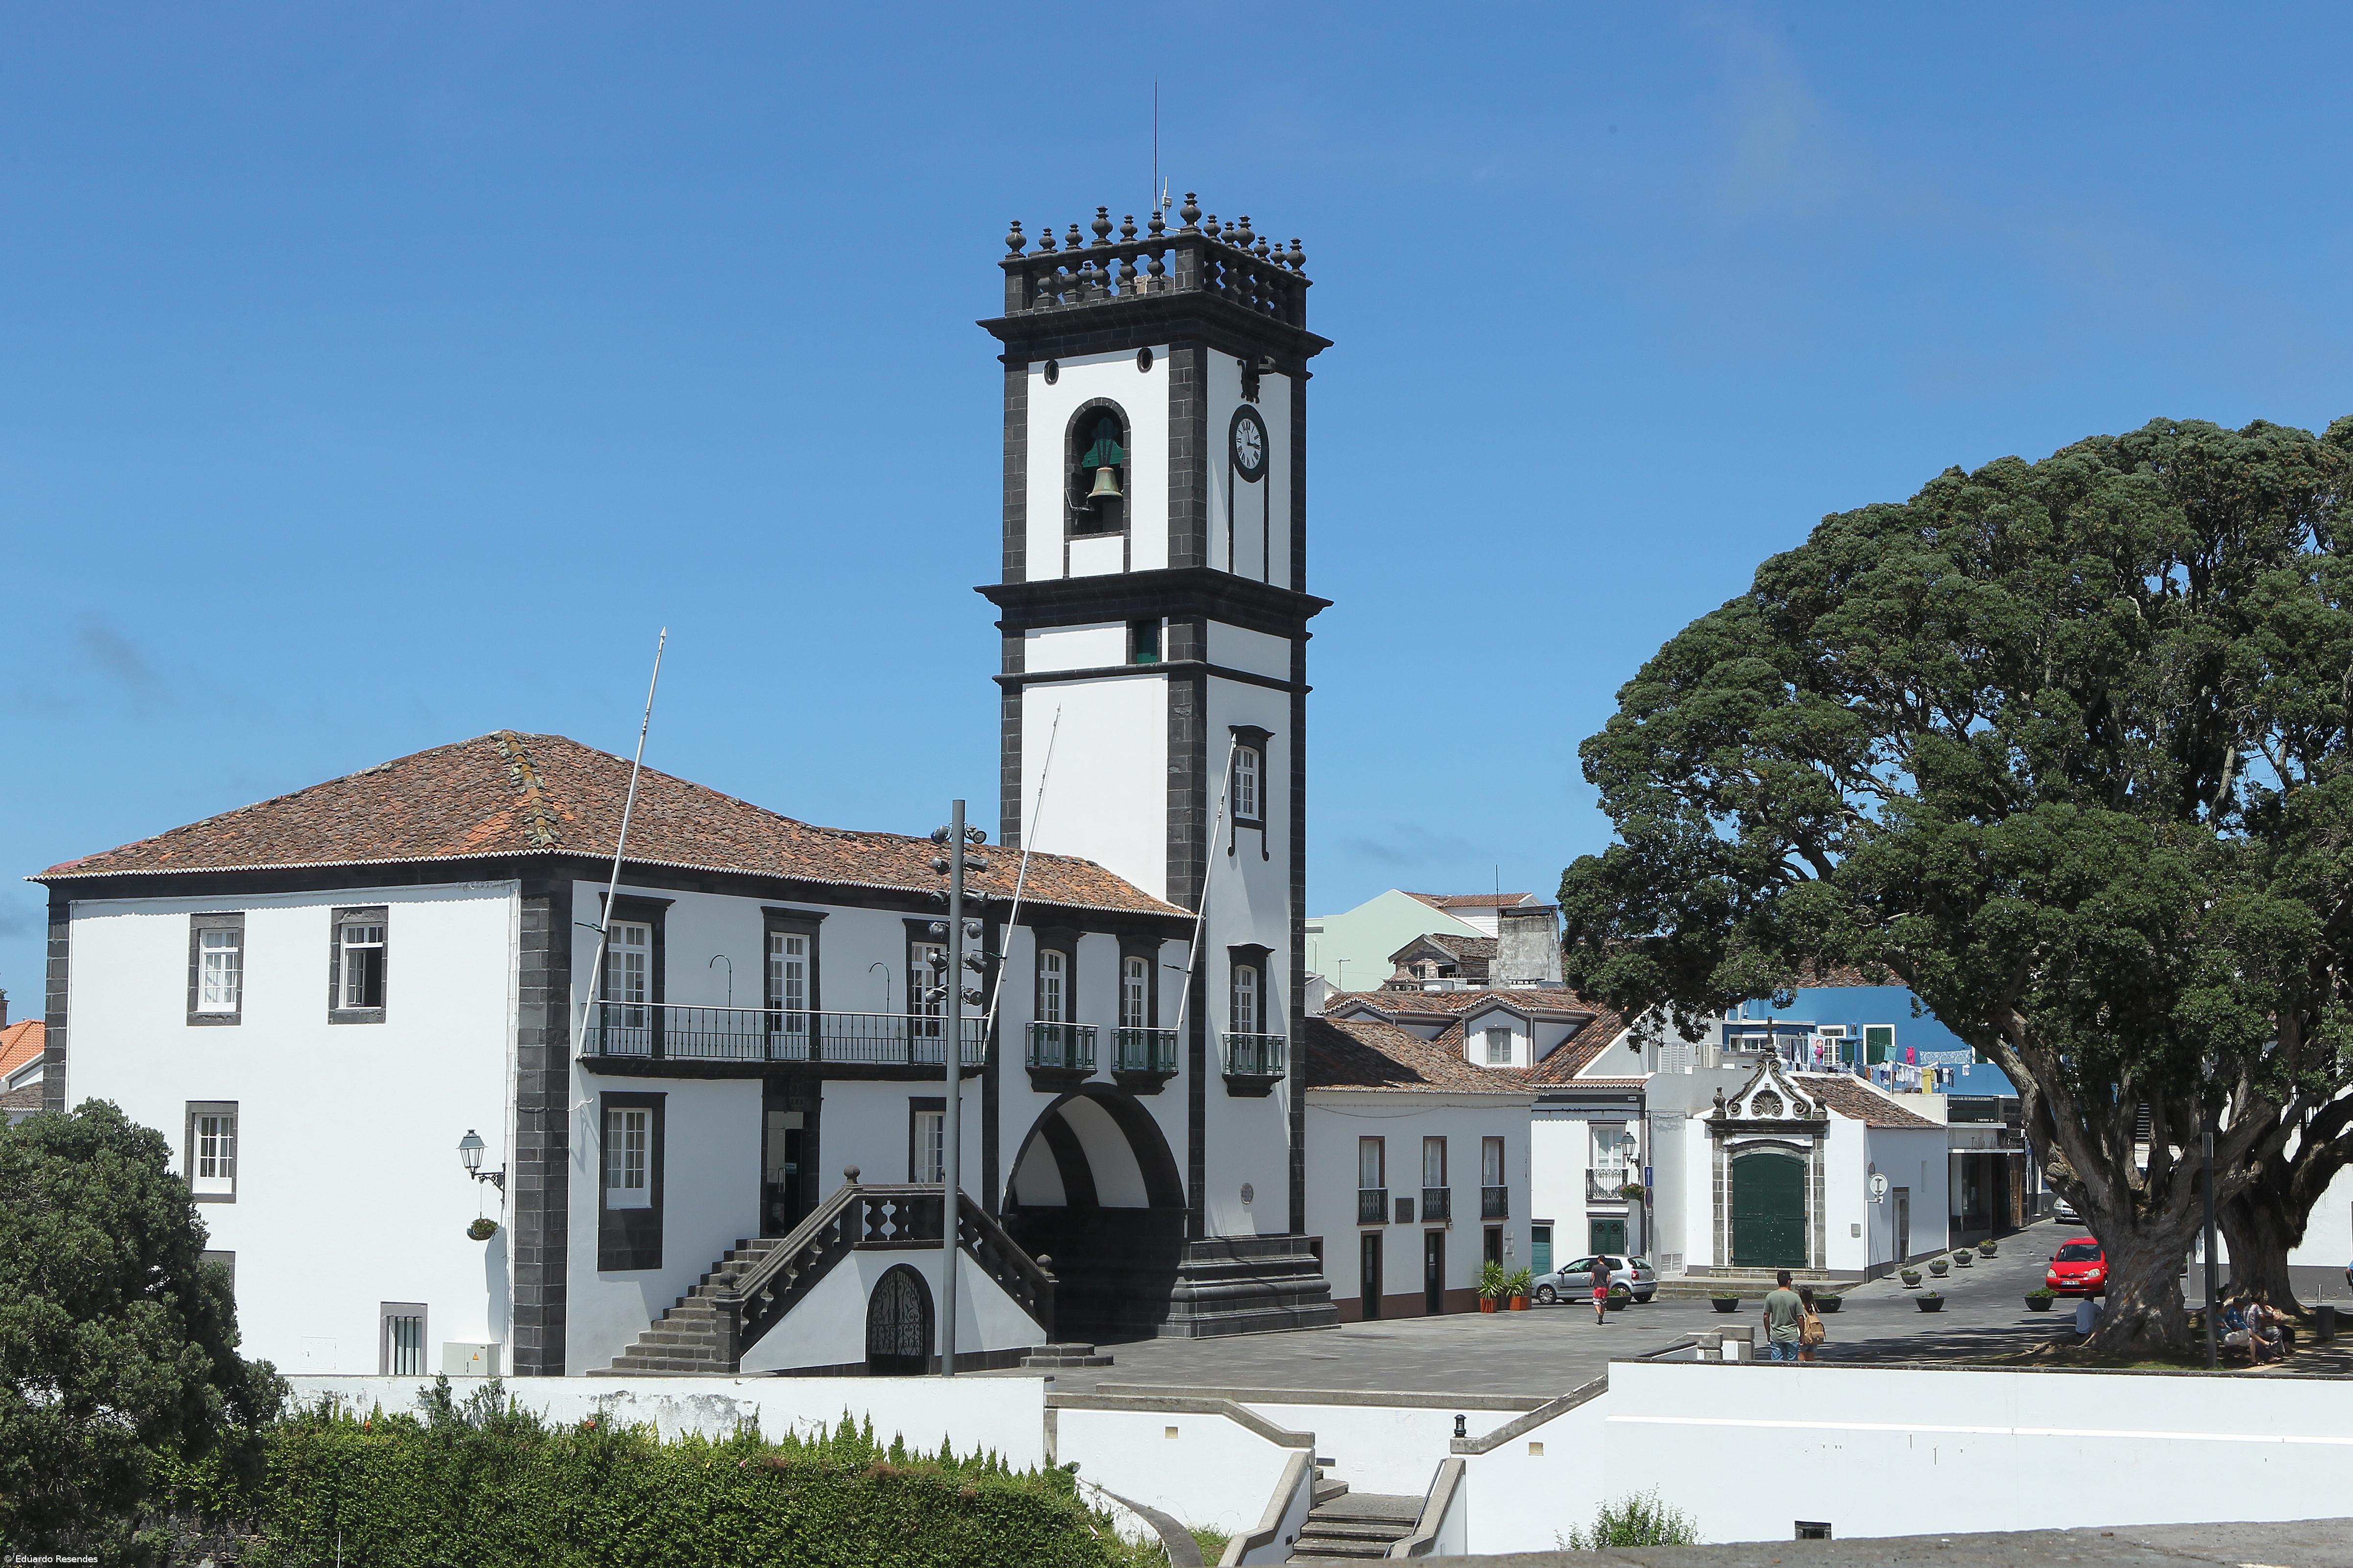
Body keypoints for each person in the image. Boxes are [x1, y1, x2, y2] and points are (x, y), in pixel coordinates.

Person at [1762, 1269, 1805, 1362]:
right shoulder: (1795, 1298)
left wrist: (1768, 1333)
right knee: (1792, 1363)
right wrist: (1802, 1335)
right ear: (1789, 1281)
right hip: (1792, 1335)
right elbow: (1800, 1318)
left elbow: (1766, 1317)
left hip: (1776, 1335)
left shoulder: (1770, 1297)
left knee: (1777, 1364)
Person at [1797, 1284, 1824, 1362]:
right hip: (1813, 1337)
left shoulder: (1800, 1307)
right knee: (1810, 1363)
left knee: (1802, 1364)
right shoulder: (1813, 1307)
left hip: (1803, 1337)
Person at [1592, 1260, 1613, 1325]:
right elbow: (1609, 1280)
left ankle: (1599, 1314)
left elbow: (1592, 1277)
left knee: (1596, 1302)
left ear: (1599, 1260)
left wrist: (1590, 1283)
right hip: (1604, 1288)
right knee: (1603, 1303)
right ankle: (1601, 1317)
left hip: (1597, 1287)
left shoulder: (1595, 1267)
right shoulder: (1607, 1268)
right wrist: (1608, 1286)